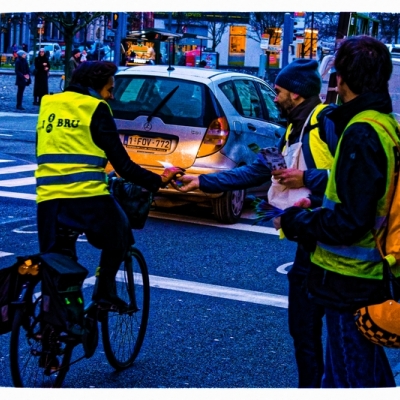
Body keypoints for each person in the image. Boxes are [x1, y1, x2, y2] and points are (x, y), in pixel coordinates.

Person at [173, 59, 338, 388]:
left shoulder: (326, 125)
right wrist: (203, 183)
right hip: (308, 237)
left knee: (328, 334)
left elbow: (349, 180)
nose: (274, 98)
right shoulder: (293, 128)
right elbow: (258, 171)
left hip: (332, 240)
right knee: (303, 330)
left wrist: (306, 178)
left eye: (278, 92)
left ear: (296, 93)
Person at [275, 35, 400, 388]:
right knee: (360, 374)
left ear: (340, 79)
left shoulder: (360, 132)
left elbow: (349, 221)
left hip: (349, 281)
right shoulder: (383, 123)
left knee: (349, 378)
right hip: (368, 274)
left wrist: (297, 220)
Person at [35, 61, 183, 309]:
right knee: (121, 236)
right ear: (95, 86)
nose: (112, 96)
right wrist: (158, 180)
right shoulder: (96, 108)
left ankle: (52, 329)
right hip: (87, 198)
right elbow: (124, 165)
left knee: (57, 264)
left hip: (48, 200)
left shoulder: (48, 103)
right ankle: (104, 294)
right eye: (109, 90)